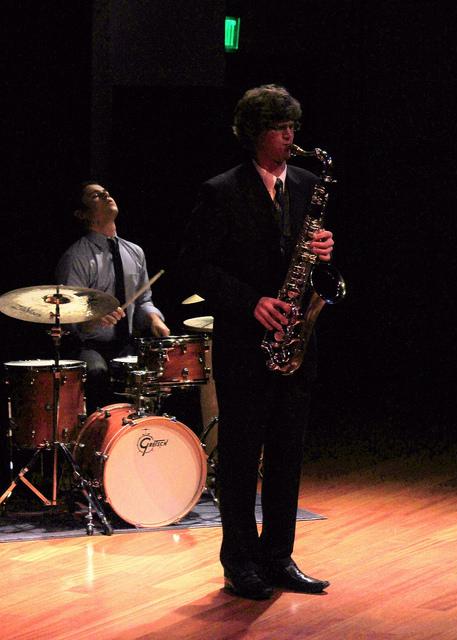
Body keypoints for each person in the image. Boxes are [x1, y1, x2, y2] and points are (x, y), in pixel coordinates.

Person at [179, 85, 335, 599]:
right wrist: (251, 302)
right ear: (254, 134)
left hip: (296, 344)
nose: (290, 136)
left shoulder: (310, 184)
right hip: (246, 345)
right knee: (243, 459)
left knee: (288, 456)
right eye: (278, 128)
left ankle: (279, 556)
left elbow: (318, 269)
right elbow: (196, 266)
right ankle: (239, 562)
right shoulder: (220, 191)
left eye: (293, 126)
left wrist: (325, 254)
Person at [56, 181, 170, 413]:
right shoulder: (76, 257)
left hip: (125, 344)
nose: (106, 194)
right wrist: (93, 319)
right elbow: (67, 314)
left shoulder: (135, 252)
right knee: (97, 372)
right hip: (89, 346)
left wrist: (155, 320)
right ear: (82, 214)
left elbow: (144, 300)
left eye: (106, 191)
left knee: (156, 374)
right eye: (96, 196)